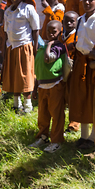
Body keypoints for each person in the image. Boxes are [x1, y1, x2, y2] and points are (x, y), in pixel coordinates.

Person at [68, 0, 95, 150]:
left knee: (93, 99)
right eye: (85, 0)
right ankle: (83, 135)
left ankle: (93, 137)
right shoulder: (81, 18)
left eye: (91, 0)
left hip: (94, 64)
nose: (88, 2)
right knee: (80, 98)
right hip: (80, 62)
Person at [30, 20, 66, 153]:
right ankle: (43, 136)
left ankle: (56, 141)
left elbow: (48, 59)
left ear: (60, 32)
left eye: (54, 31)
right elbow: (38, 68)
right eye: (48, 31)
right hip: (42, 86)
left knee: (56, 114)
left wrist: (49, 44)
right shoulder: (42, 46)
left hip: (55, 85)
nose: (51, 33)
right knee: (43, 114)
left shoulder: (58, 46)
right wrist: (35, 87)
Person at [3, 0, 40, 113]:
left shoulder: (28, 9)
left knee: (24, 75)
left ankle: (28, 105)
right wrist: (5, 48)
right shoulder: (8, 11)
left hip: (24, 45)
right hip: (11, 46)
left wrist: (34, 47)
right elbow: (6, 31)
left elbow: (35, 29)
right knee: (14, 75)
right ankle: (16, 103)